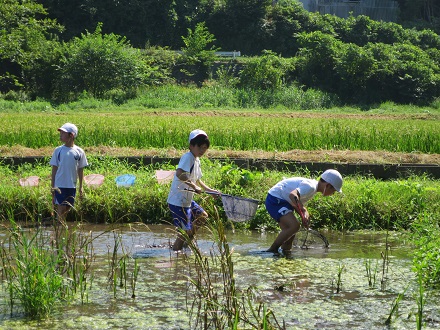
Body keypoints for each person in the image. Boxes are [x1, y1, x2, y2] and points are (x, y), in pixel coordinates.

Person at [266, 169, 343, 254]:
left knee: (291, 232)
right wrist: (303, 210)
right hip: (276, 199)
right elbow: (293, 195)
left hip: (283, 201)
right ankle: (272, 250)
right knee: (294, 226)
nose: (333, 194)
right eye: (334, 191)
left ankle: (286, 253)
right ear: (328, 186)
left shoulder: (312, 189)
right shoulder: (311, 187)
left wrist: (303, 215)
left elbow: (295, 202)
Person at [167, 129, 220, 251]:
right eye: (200, 147)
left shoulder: (196, 160)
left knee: (202, 216)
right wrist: (194, 187)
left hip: (187, 200)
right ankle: (176, 253)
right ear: (191, 145)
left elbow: (198, 180)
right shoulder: (188, 157)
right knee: (182, 233)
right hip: (178, 201)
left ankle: (187, 242)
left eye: (204, 148)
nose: (202, 151)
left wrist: (210, 191)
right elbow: (179, 173)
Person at [50, 123, 88, 223]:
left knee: (67, 208)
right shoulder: (58, 150)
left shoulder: (79, 151)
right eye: (61, 132)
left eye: (63, 133)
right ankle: (60, 230)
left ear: (71, 135)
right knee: (61, 208)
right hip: (60, 185)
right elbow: (54, 169)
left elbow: (80, 169)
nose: (60, 135)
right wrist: (52, 186)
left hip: (72, 185)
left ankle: (61, 230)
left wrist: (81, 186)